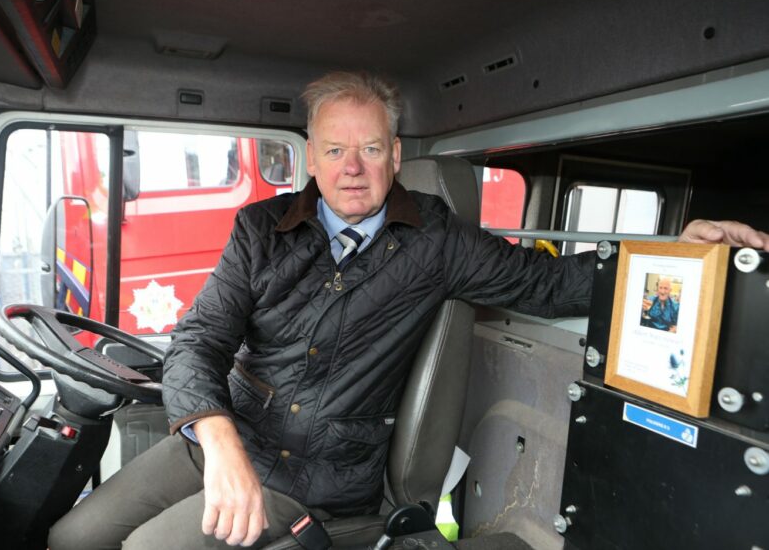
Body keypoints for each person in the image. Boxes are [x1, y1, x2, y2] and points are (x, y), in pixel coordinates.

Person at [48, 71, 769, 550]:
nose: (351, 166)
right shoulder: (260, 229)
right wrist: (220, 442)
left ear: (394, 154)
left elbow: (556, 284)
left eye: (369, 148)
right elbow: (198, 342)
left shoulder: (438, 239)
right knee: (72, 540)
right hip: (228, 439)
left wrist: (673, 250)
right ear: (312, 158)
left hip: (316, 479)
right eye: (335, 149)